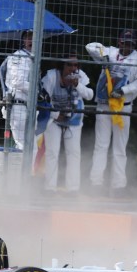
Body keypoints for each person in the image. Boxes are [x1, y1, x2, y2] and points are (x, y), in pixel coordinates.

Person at [85, 28, 137, 197]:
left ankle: (119, 186)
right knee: (101, 145)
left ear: (134, 44)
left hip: (123, 107)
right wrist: (104, 57)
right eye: (123, 42)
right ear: (119, 41)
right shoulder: (110, 52)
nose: (126, 46)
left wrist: (124, 90)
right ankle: (96, 183)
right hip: (104, 105)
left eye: (130, 44)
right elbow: (89, 46)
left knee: (119, 148)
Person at [39, 52, 94, 195]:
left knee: (74, 153)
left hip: (74, 119)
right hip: (54, 117)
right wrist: (56, 114)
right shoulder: (51, 77)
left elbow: (89, 95)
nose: (73, 68)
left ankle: (73, 190)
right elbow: (42, 100)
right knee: (52, 152)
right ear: (62, 65)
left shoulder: (80, 76)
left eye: (75, 65)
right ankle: (49, 188)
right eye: (69, 64)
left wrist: (77, 85)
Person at [0, 31, 34, 151]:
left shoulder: (32, 58)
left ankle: (28, 170)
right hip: (17, 105)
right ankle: (22, 170)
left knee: (31, 147)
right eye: (28, 37)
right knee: (24, 147)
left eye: (34, 37)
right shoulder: (18, 56)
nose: (31, 40)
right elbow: (17, 82)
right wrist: (36, 91)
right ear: (23, 41)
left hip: (29, 106)